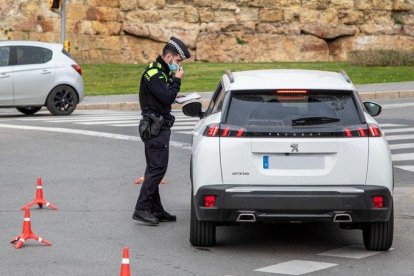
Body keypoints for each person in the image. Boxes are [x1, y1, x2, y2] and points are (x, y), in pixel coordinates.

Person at [133, 37, 191, 226]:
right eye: (178, 61)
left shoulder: (161, 72)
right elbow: (166, 97)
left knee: (154, 169)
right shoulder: (155, 73)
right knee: (158, 168)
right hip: (155, 128)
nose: (179, 65)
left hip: (158, 126)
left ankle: (155, 209)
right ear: (168, 57)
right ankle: (141, 208)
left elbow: (164, 96)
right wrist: (177, 80)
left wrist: (177, 93)